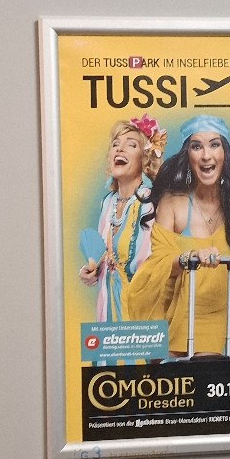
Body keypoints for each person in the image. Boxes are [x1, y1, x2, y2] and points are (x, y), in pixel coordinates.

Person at [126, 116, 230, 356]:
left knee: (207, 369)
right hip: (170, 313)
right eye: (197, 146)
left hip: (214, 315)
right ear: (188, 156)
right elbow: (158, 265)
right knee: (167, 377)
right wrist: (190, 257)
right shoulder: (172, 203)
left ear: (225, 154)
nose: (206, 155)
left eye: (214, 145)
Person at [79, 115, 166, 322]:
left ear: (145, 159)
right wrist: (90, 271)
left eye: (131, 145)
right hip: (107, 309)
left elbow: (153, 264)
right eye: (115, 144)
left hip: (140, 310)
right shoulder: (107, 203)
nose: (120, 149)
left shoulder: (151, 202)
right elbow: (104, 255)